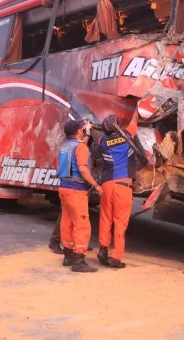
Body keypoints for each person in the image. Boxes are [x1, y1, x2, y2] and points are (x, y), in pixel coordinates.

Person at [57, 119, 101, 272]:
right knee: (82, 224)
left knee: (67, 221)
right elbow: (82, 169)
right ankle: (79, 261)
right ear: (77, 132)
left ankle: (68, 256)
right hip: (77, 190)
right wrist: (96, 185)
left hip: (64, 188)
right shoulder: (81, 147)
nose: (83, 131)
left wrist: (87, 133)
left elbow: (79, 147)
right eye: (82, 129)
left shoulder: (64, 147)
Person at [97, 111, 138, 269]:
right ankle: (115, 257)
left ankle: (103, 249)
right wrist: (137, 107)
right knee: (120, 222)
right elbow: (135, 118)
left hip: (106, 185)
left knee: (105, 218)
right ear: (117, 126)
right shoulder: (127, 135)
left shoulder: (102, 141)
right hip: (123, 186)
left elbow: (98, 136)